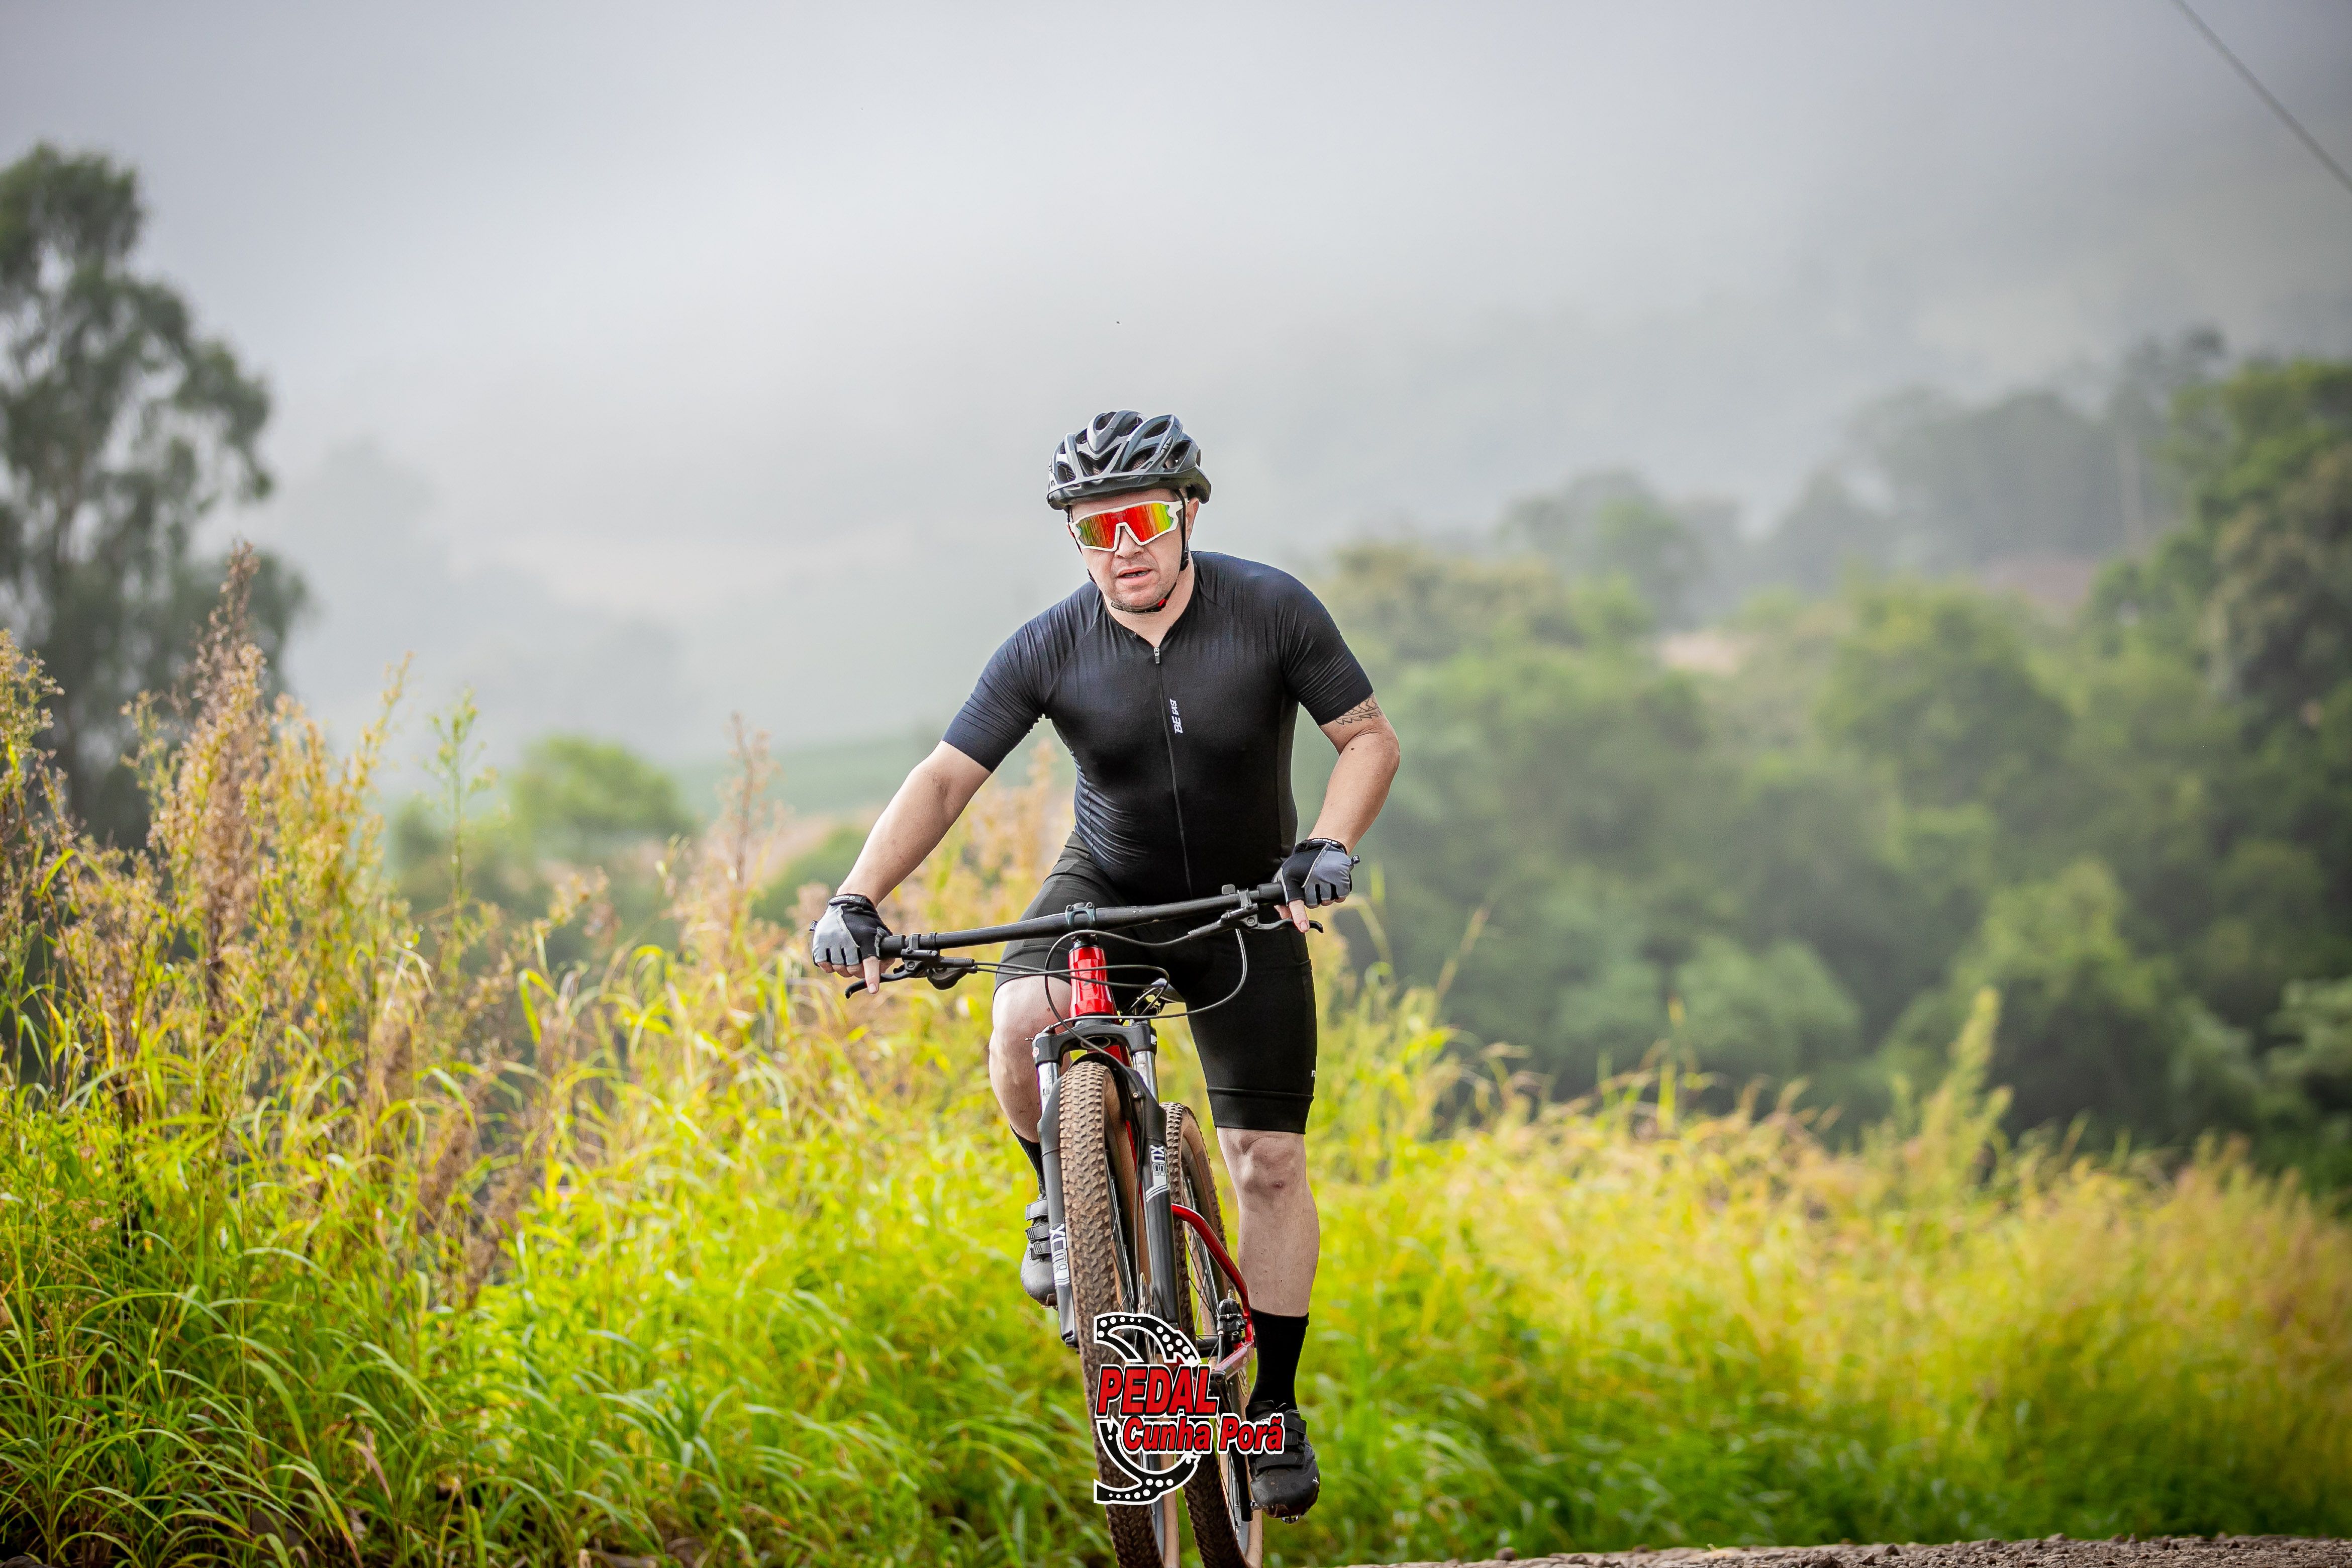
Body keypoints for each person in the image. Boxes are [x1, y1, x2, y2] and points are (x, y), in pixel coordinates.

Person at [810, 410, 1400, 1521]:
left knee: (1269, 1162)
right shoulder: (1049, 645)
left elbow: (1368, 738)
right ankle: (1061, 1197)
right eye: (1095, 529)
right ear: (1076, 541)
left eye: (1140, 521)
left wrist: (1328, 846)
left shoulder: (1271, 609)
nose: (1122, 548)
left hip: (1246, 902)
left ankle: (1273, 1405)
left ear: (1187, 514)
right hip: (1109, 891)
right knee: (1017, 1020)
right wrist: (857, 897)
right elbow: (946, 778)